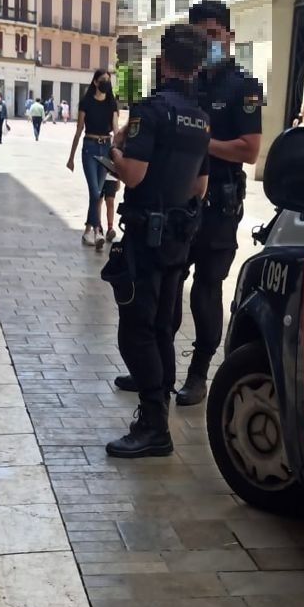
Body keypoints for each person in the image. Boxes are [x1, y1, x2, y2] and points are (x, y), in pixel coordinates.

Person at [114, 0, 262, 407]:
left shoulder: (242, 86)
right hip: (176, 202)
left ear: (228, 37)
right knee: (166, 290)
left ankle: (198, 374)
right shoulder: (185, 83)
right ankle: (156, 373)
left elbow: (249, 150)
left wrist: (191, 140)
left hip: (216, 205)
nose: (207, 42)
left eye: (213, 34)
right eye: (200, 35)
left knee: (205, 291)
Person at [104, 24, 210, 459]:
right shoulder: (202, 119)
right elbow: (201, 186)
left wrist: (114, 151)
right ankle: (159, 398)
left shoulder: (151, 111)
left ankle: (153, 424)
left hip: (148, 234)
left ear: (163, 60)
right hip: (179, 236)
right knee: (164, 324)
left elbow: (134, 174)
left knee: (136, 331)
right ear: (198, 66)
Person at [67, 69, 118, 249]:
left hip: (105, 147)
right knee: (96, 193)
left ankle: (88, 230)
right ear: (95, 82)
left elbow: (116, 130)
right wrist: (71, 157)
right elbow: (79, 129)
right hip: (89, 147)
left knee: (96, 193)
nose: (106, 83)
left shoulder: (112, 103)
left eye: (108, 80)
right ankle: (97, 231)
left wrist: (117, 155)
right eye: (103, 80)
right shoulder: (86, 102)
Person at [101, 175, 120, 241]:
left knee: (110, 202)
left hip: (112, 177)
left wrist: (118, 179)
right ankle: (98, 227)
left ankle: (110, 228)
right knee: (98, 201)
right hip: (100, 174)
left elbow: (118, 164)